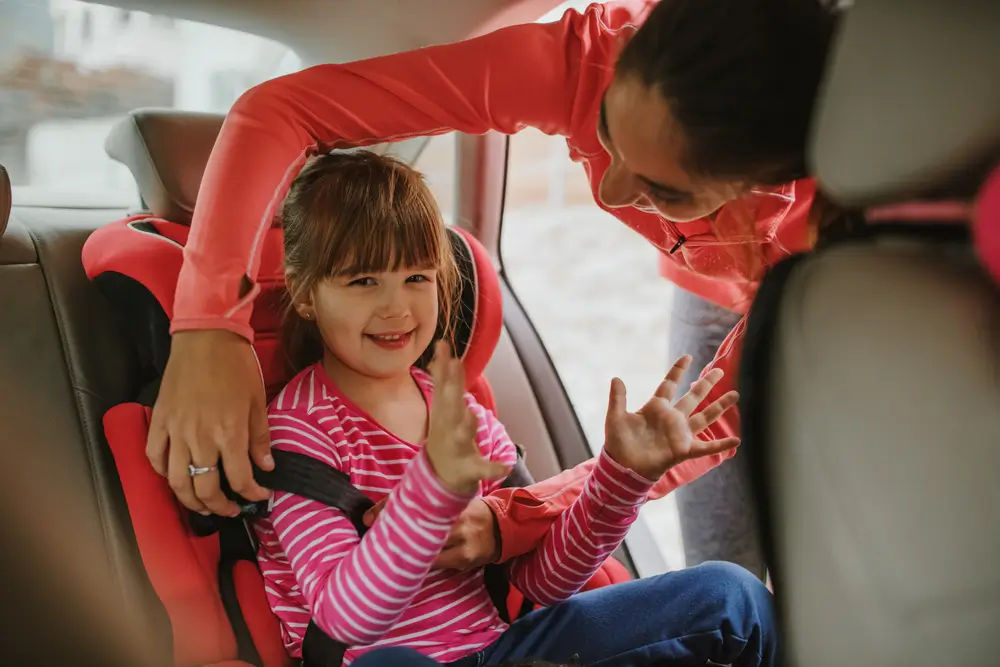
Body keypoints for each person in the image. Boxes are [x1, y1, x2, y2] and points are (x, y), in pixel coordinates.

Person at [147, 0, 841, 574]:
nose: (608, 186)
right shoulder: (573, 61)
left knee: (752, 563)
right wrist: (209, 324)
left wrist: (515, 515)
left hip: (782, 289)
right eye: (606, 131)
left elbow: (712, 421)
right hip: (709, 285)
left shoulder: (831, 245)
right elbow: (281, 112)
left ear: (768, 184)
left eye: (663, 190)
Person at [258, 150, 773, 667]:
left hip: (503, 651)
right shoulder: (299, 430)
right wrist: (428, 496)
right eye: (363, 281)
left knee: (729, 594)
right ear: (305, 294)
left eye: (417, 277)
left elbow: (538, 583)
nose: (396, 306)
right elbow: (343, 619)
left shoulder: (463, 413)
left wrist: (622, 480)